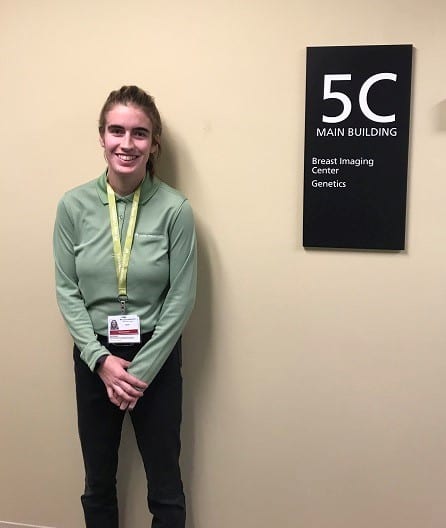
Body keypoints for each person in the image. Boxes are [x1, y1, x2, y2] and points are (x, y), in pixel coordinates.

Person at [53, 85, 197, 528]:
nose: (126, 143)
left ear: (154, 144)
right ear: (102, 136)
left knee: (166, 489)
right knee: (98, 484)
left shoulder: (175, 209)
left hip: (154, 356)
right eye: (117, 131)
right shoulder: (73, 206)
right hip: (96, 358)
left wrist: (139, 372)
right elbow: (66, 289)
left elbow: (181, 297)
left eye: (139, 134)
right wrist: (100, 361)